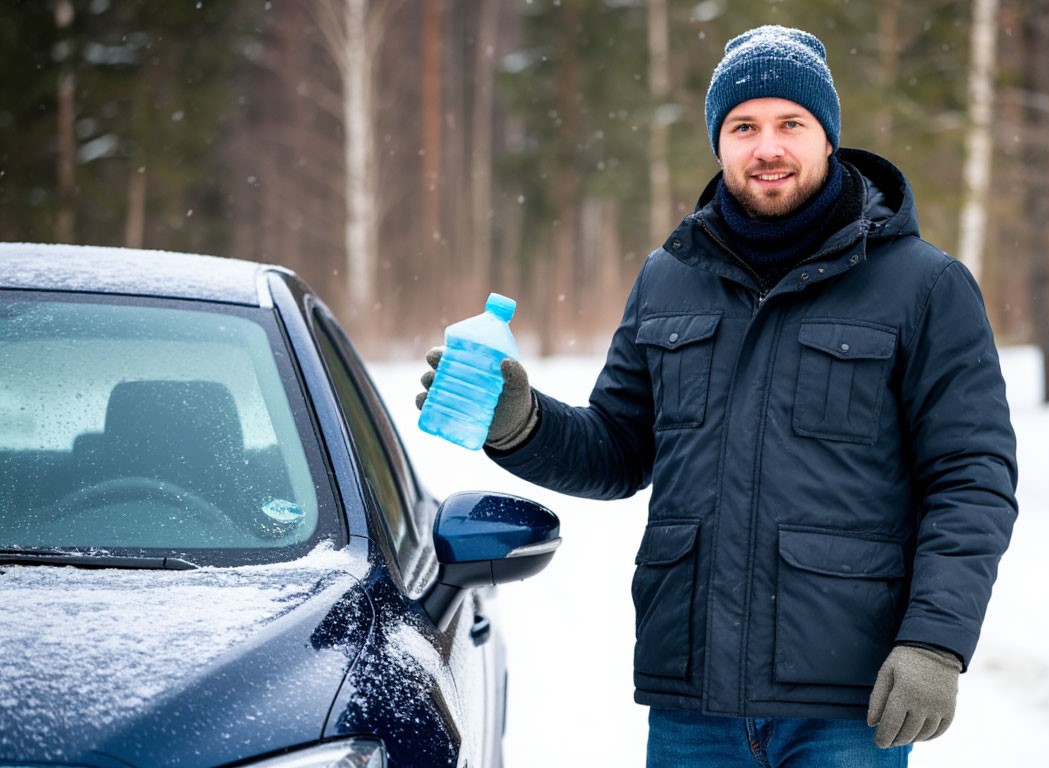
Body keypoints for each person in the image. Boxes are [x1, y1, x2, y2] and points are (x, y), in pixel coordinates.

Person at [417, 24, 1017, 767]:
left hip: (844, 707)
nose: (768, 147)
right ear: (719, 143)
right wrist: (520, 425)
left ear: (827, 136)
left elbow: (972, 479)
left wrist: (936, 642)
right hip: (693, 705)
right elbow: (619, 449)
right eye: (744, 127)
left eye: (790, 124)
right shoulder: (669, 278)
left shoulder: (923, 285)